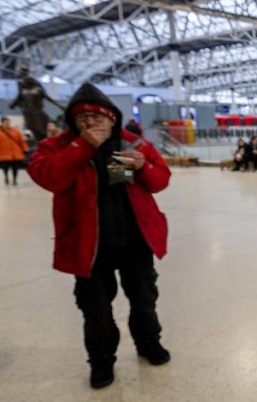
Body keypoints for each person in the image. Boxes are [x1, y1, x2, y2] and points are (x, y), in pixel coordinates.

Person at [27, 83, 172, 389]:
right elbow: (48, 177)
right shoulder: (57, 146)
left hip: (135, 240)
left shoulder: (132, 144)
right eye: (83, 118)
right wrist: (83, 146)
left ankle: (149, 342)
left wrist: (143, 167)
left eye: (98, 117)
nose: (91, 123)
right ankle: (102, 360)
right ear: (73, 121)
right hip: (89, 246)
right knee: (96, 310)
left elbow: (161, 180)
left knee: (144, 299)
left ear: (112, 119)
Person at [0, 117, 29, 186]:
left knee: (15, 167)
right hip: (4, 154)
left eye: (8, 122)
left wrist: (25, 149)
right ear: (2, 123)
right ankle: (6, 177)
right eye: (5, 123)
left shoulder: (15, 131)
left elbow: (21, 141)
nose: (7, 124)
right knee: (5, 168)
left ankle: (14, 179)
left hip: (15, 153)